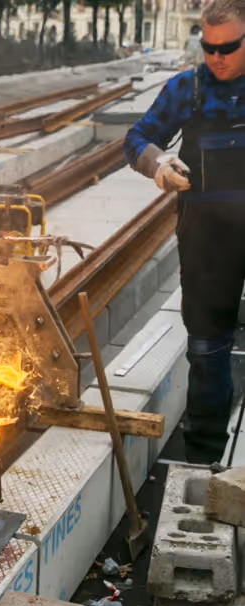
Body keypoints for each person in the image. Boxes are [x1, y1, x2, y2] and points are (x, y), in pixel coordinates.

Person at [125, 0, 245, 465]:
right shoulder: (187, 90)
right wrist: (158, 164)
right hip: (208, 240)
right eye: (208, 48)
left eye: (228, 48)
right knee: (208, 349)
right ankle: (204, 461)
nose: (216, 58)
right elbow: (135, 137)